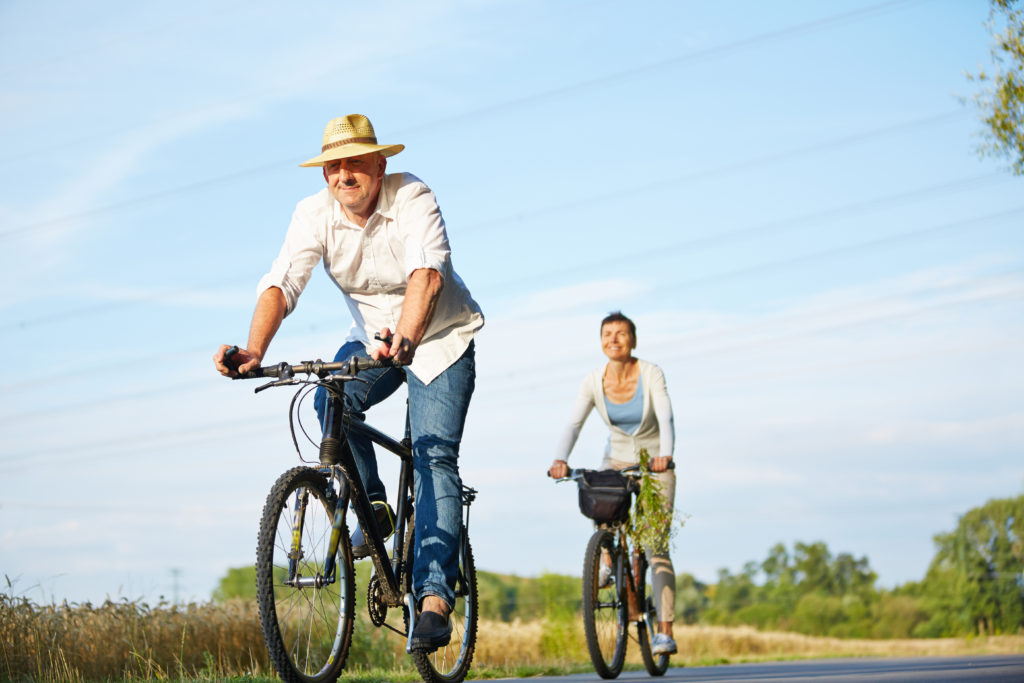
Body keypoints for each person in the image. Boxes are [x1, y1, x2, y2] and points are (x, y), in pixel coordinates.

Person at [214, 114, 484, 652]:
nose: (344, 174)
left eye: (356, 162)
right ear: (325, 175)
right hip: (372, 342)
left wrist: (408, 336)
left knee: (433, 457)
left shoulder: (413, 197)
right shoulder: (312, 215)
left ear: (380, 165)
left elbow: (427, 274)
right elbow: (282, 282)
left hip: (439, 339)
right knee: (328, 400)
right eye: (334, 166)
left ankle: (433, 599)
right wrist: (253, 351)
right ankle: (375, 506)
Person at [547, 311, 678, 655]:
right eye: (607, 334)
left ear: (632, 340)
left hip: (654, 464)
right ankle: (608, 558)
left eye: (621, 333)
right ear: (601, 341)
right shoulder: (593, 380)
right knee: (602, 507)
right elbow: (574, 423)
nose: (614, 339)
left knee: (655, 545)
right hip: (617, 460)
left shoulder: (651, 373)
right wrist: (560, 459)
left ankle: (664, 630)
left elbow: (665, 414)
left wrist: (665, 455)